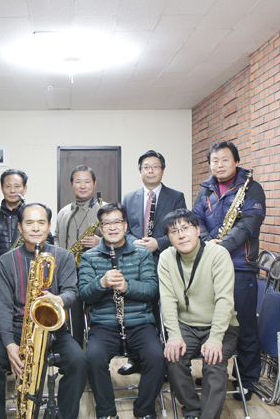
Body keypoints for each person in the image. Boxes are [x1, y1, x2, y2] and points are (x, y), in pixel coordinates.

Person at [0, 203, 88, 419]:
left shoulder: (64, 256)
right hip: (17, 331)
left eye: (41, 223)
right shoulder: (4, 262)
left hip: (54, 332)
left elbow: (71, 292)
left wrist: (58, 299)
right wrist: (9, 345)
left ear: (49, 226)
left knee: (79, 362)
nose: (36, 228)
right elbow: (3, 306)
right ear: (20, 227)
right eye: (29, 223)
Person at [192, 140, 266, 401]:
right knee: (211, 322)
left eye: (225, 160)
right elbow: (195, 220)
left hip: (240, 267)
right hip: (210, 266)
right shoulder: (205, 189)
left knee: (244, 327)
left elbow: (249, 224)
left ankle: (247, 380)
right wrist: (206, 242)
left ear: (236, 161)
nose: (219, 165)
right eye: (215, 161)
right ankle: (213, 372)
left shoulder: (252, 188)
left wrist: (221, 246)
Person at [79, 203, 166, 419]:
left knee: (157, 357)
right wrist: (101, 283)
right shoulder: (89, 257)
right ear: (100, 228)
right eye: (106, 223)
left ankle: (144, 409)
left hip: (140, 323)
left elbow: (151, 289)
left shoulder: (142, 254)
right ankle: (107, 412)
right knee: (93, 357)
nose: (112, 227)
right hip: (104, 325)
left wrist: (127, 287)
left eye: (117, 222)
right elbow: (85, 295)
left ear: (125, 226)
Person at [158, 209, 239, 419]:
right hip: (186, 325)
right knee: (173, 359)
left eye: (185, 228)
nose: (181, 235)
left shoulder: (218, 254)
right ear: (168, 237)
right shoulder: (166, 258)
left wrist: (215, 338)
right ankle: (193, 410)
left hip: (221, 325)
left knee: (214, 362)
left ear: (197, 229)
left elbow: (224, 300)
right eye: (174, 231)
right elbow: (167, 300)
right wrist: (174, 336)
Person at [120, 150, 186, 375]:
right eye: (146, 167)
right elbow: (125, 230)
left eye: (155, 166)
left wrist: (158, 243)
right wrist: (134, 242)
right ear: (140, 172)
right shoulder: (129, 198)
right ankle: (135, 359)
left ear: (162, 170)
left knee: (162, 309)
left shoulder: (176, 197)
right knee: (135, 309)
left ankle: (163, 363)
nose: (150, 171)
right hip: (135, 262)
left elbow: (181, 229)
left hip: (164, 260)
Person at [54, 165, 102, 346]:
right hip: (69, 273)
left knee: (98, 315)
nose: (82, 186)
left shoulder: (104, 210)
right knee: (73, 316)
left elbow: (120, 238)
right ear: (71, 184)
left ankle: (97, 349)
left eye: (87, 181)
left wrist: (100, 242)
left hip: (97, 273)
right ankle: (75, 349)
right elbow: (56, 237)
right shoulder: (64, 212)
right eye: (78, 181)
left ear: (95, 183)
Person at [0, 168, 53, 289]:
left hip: (28, 272)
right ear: (2, 188)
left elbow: (48, 242)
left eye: (17, 186)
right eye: (8, 186)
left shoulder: (33, 214)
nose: (12, 191)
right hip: (0, 274)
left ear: (25, 188)